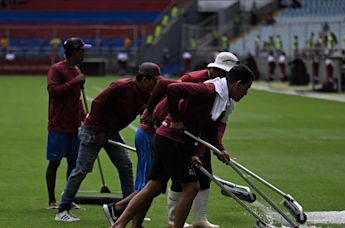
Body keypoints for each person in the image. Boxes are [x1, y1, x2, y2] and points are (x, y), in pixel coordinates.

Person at [110, 64, 254, 228]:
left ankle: (118, 224)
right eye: (246, 89)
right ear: (238, 84)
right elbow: (172, 89)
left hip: (169, 140)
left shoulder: (222, 98)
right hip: (170, 140)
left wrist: (218, 149)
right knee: (192, 187)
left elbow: (207, 128)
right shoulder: (208, 90)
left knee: (154, 187)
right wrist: (176, 119)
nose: (245, 93)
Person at [55, 62, 162, 222]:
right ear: (145, 79)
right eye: (155, 81)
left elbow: (144, 111)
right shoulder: (121, 86)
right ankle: (62, 209)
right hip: (93, 130)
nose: (156, 84)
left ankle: (129, 209)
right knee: (82, 169)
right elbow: (97, 103)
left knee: (125, 166)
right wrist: (97, 131)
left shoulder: (146, 95)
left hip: (112, 132)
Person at [45, 37, 90, 211]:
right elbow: (53, 91)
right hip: (58, 124)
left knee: (73, 163)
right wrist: (74, 82)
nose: (84, 53)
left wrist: (84, 117)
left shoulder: (77, 69)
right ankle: (51, 200)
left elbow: (76, 99)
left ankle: (68, 198)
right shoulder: (57, 69)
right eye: (81, 50)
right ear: (73, 52)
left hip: (73, 125)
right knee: (54, 162)